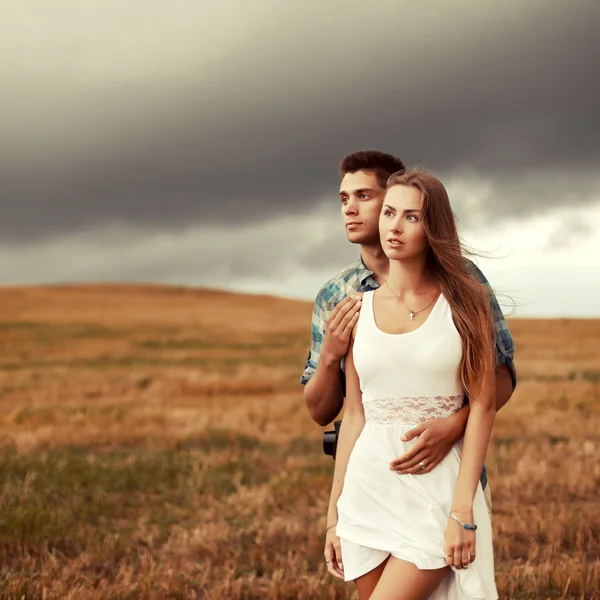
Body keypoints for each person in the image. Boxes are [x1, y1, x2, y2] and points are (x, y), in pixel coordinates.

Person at [324, 169, 500, 599]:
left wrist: (462, 512)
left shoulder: (466, 303)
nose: (394, 227)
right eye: (388, 213)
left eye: (412, 217)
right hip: (367, 492)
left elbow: (483, 407)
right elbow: (354, 414)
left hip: (437, 492)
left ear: (433, 228)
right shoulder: (356, 310)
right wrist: (334, 515)